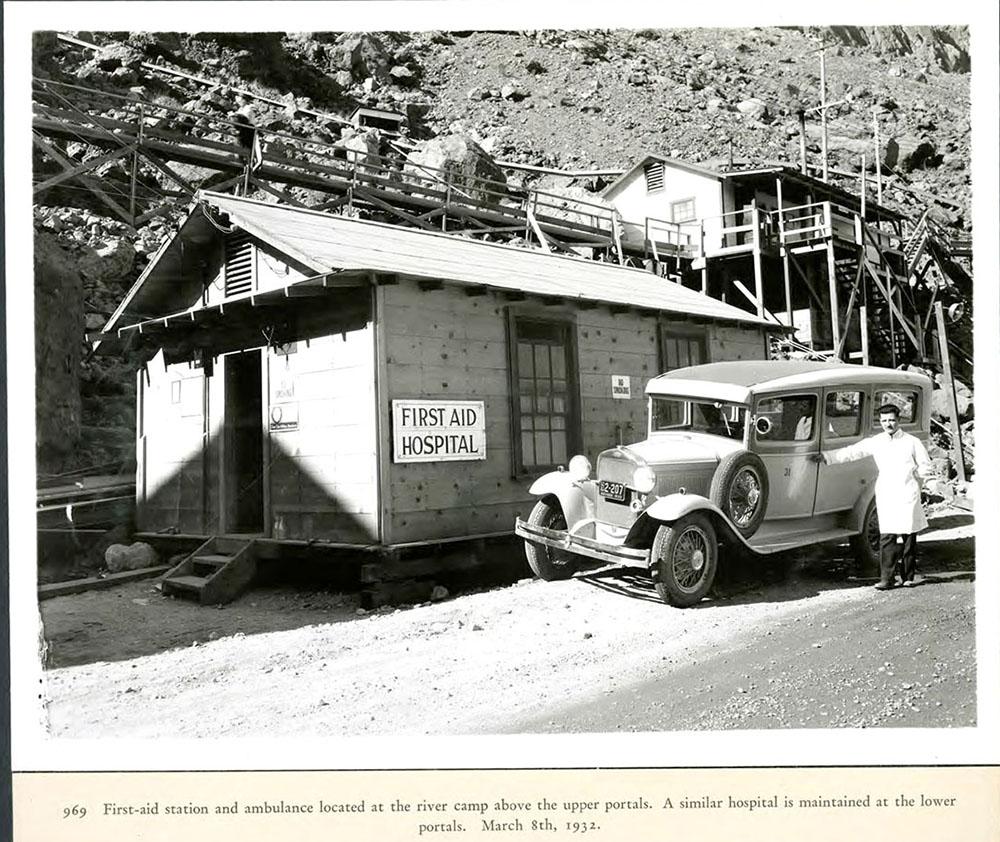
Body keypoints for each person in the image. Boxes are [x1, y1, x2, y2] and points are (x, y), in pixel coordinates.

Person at [813, 403, 932, 590]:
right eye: (884, 421)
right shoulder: (877, 441)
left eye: (892, 420)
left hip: (908, 492)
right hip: (886, 492)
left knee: (908, 537)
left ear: (898, 420)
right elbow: (852, 452)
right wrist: (827, 457)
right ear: (880, 422)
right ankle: (887, 578)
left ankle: (908, 576)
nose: (888, 424)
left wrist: (920, 484)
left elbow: (926, 467)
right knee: (887, 537)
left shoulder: (912, 442)